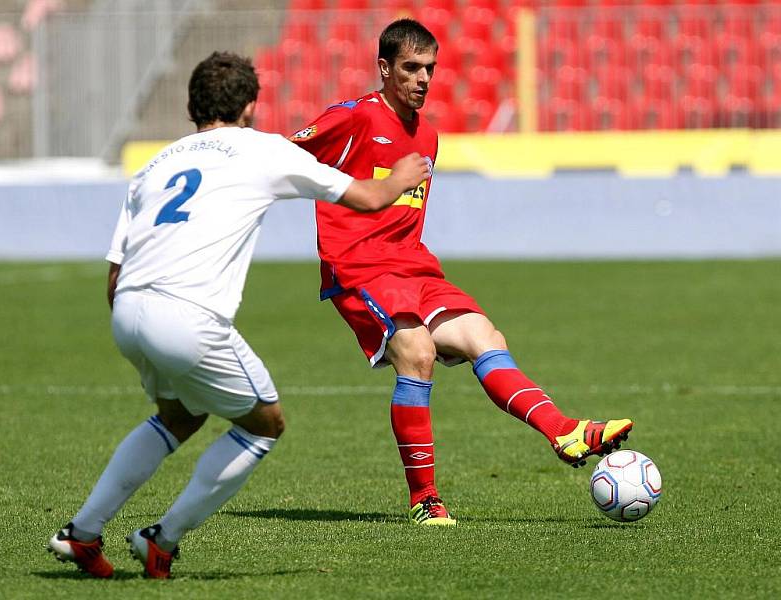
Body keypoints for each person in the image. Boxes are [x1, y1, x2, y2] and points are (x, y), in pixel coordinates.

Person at [46, 51, 430, 578]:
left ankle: (83, 534)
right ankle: (163, 539)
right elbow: (365, 198)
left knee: (178, 417)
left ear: (191, 106)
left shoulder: (156, 164)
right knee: (264, 425)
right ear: (250, 105)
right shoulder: (260, 150)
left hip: (128, 309)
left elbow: (115, 272)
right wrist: (401, 175)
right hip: (187, 316)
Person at [290, 19, 634, 526]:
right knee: (417, 350)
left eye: (429, 68)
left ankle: (564, 431)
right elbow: (282, 154)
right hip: (360, 269)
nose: (423, 79)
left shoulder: (427, 135)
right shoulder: (355, 118)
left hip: (413, 265)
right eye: (410, 68)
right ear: (385, 69)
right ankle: (424, 498)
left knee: (483, 334)